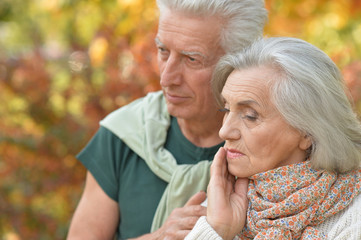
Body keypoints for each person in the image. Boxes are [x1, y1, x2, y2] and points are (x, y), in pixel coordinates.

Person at [67, 0, 268, 239]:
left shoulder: (273, 144)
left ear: (239, 62)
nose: (166, 78)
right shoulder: (123, 135)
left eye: (191, 59)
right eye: (163, 51)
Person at [185, 37, 361, 240]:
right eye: (226, 109)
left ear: (307, 132)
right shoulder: (216, 209)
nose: (224, 131)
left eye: (250, 115)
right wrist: (217, 230)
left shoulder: (353, 221)